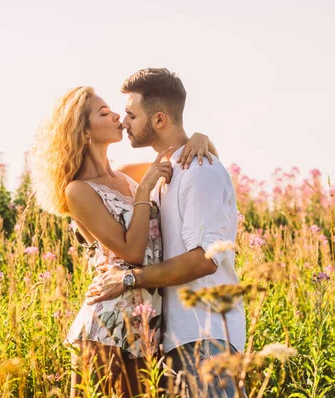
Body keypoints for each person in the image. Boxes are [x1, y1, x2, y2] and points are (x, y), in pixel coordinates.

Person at [30, 86, 217, 397]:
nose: (117, 115)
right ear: (83, 131)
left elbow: (192, 161)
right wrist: (143, 193)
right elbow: (131, 252)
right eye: (104, 113)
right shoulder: (78, 191)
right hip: (108, 327)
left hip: (147, 326)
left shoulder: (130, 173)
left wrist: (201, 138)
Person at [86, 68, 247, 397]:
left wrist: (130, 278)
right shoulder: (164, 169)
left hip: (206, 336)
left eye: (131, 114)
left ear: (159, 119)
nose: (124, 121)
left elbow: (205, 259)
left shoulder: (200, 170)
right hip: (173, 339)